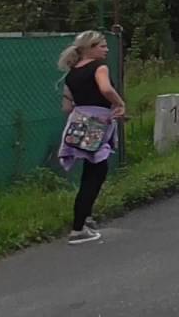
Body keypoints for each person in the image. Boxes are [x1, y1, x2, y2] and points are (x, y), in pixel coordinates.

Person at [57, 31, 126, 245]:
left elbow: (67, 106)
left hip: (79, 123)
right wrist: (119, 104)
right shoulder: (99, 67)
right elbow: (105, 88)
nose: (106, 49)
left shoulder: (71, 73)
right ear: (90, 48)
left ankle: (85, 217)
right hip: (97, 124)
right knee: (97, 172)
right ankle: (78, 228)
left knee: (89, 171)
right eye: (102, 46)